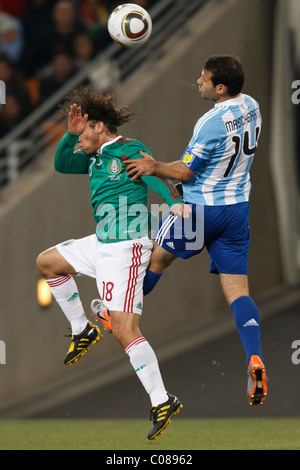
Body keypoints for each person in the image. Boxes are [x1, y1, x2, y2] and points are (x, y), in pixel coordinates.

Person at [36, 86, 188, 440]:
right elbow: (61, 164)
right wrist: (69, 133)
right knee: (48, 263)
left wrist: (172, 203)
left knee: (124, 330)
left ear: (100, 126)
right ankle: (82, 329)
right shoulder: (93, 156)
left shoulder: (129, 149)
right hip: (101, 243)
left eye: (83, 131)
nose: (80, 140)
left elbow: (154, 175)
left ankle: (162, 400)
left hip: (126, 247)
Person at [125, 54, 268, 407]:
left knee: (156, 259)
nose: (198, 82)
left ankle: (113, 315)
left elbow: (186, 172)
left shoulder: (210, 122)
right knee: (238, 289)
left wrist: (153, 165)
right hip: (237, 210)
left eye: (203, 78)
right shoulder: (252, 105)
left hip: (201, 209)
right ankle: (254, 356)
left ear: (220, 87)